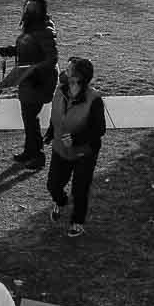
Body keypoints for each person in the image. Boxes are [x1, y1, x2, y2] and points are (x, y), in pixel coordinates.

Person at [45, 56, 107, 238]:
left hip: (84, 153)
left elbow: (99, 129)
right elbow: (56, 115)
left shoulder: (94, 99)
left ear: (78, 77)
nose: (64, 72)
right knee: (53, 185)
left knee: (80, 189)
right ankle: (60, 201)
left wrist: (76, 138)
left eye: (69, 70)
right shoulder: (60, 91)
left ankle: (77, 222)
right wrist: (50, 133)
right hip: (60, 149)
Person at [0, 0, 59, 168]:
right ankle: (30, 151)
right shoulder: (33, 27)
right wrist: (10, 50)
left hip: (39, 82)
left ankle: (38, 155)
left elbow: (52, 59)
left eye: (32, 9)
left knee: (30, 117)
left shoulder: (44, 31)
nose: (28, 11)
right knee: (28, 117)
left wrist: (34, 70)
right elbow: (27, 47)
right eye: (27, 8)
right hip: (28, 79)